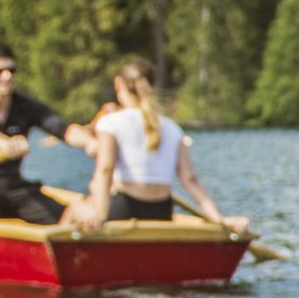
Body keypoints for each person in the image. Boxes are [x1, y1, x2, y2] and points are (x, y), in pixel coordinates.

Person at [0, 43, 99, 225]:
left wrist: (90, 141)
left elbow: (62, 128)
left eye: (11, 70)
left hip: (13, 185)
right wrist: (5, 143)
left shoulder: (25, 105)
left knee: (66, 220)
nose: (7, 76)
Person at [87, 59, 242, 231]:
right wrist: (218, 218)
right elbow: (190, 179)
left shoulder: (110, 123)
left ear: (118, 83)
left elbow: (105, 170)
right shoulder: (173, 128)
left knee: (74, 211)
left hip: (125, 208)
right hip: (162, 212)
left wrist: (100, 215)